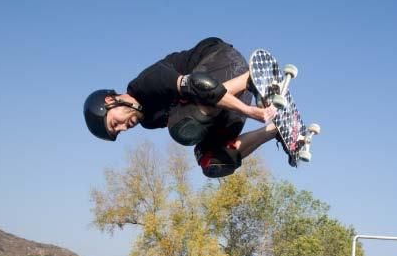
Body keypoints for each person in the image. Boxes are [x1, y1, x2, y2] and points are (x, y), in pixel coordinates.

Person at [83, 37, 278, 178]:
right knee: (211, 161)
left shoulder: (144, 84)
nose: (123, 127)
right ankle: (275, 130)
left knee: (182, 124)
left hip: (222, 62)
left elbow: (198, 85)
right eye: (119, 131)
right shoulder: (149, 121)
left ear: (110, 101)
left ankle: (251, 78)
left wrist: (250, 111)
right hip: (227, 101)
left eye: (115, 123)